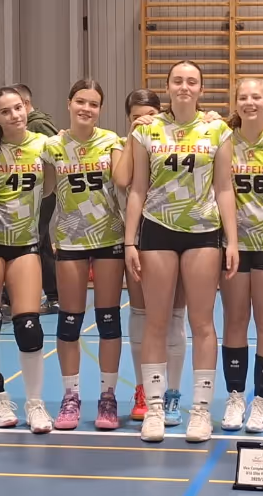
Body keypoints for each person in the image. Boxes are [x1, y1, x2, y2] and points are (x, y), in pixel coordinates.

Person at [125, 60, 238, 443]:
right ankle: (155, 409)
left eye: (192, 81)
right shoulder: (148, 130)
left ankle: (201, 411)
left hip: (203, 231)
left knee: (202, 323)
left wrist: (231, 240)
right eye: (178, 80)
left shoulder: (217, 129)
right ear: (168, 87)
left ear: (201, 89)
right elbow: (137, 188)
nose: (184, 86)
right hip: (158, 229)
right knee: (156, 321)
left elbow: (224, 188)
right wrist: (130, 241)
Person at [41, 79, 126, 431]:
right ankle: (71, 396)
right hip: (70, 240)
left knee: (108, 321)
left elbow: (124, 180)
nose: (86, 108)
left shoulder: (112, 141)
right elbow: (43, 186)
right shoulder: (51, 146)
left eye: (93, 104)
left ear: (100, 109)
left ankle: (108, 397)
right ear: (68, 103)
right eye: (80, 101)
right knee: (69, 321)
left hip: (109, 237)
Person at [0, 86, 54, 433]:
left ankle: (35, 403)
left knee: (29, 326)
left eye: (18, 108)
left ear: (27, 107)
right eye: (5, 111)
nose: (14, 115)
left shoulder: (45, 145)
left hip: (25, 245)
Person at [111, 89, 188, 426]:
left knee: (175, 316)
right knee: (143, 316)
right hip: (140, 237)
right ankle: (144, 389)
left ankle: (173, 392)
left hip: (177, 233)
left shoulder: (176, 140)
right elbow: (123, 179)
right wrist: (134, 135)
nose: (143, 121)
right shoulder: (122, 143)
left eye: (150, 115)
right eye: (135, 117)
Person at [217, 79, 263, 433]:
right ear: (235, 102)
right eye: (243, 97)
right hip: (235, 243)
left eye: (256, 97)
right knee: (235, 319)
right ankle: (235, 396)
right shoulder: (223, 137)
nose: (249, 102)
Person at [11, 83, 60, 316]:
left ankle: (12, 298)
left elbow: (57, 154)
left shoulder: (38, 126)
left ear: (25, 103)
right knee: (41, 242)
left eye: (16, 106)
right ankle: (54, 295)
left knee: (31, 241)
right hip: (26, 194)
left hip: (42, 193)